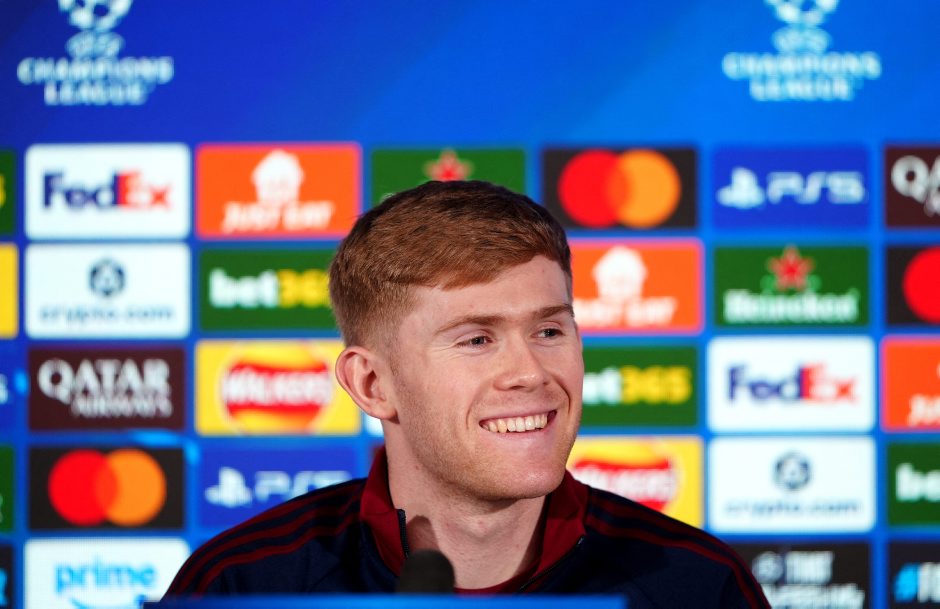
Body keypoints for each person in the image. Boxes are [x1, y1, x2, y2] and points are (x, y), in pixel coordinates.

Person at [164, 180, 769, 607]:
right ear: (372, 384)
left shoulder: (698, 585)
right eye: (477, 339)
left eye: (549, 331)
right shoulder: (242, 586)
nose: (530, 372)